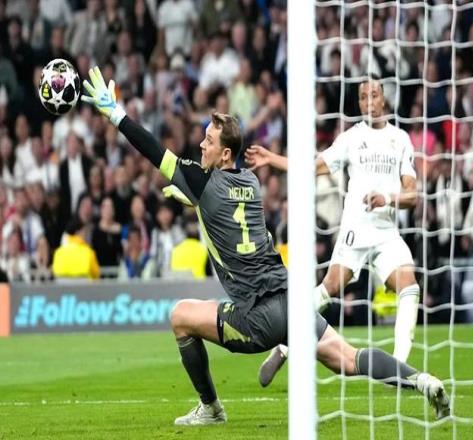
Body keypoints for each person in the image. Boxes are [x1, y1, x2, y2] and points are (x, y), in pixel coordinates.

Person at [82, 67, 450, 426]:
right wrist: (195, 200)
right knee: (348, 359)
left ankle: (211, 408)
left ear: (225, 154)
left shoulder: (201, 182)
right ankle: (422, 380)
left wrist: (116, 115)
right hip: (292, 301)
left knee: (180, 316)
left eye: (209, 140)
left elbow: (153, 150)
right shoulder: (251, 181)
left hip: (256, 316)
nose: (201, 144)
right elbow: (226, 209)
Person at [246, 76, 422, 384]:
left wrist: (387, 198)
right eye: (363, 97)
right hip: (356, 228)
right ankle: (283, 347)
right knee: (329, 288)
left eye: (374, 95)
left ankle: (399, 369)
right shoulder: (351, 138)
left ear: (384, 99)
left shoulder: (401, 140)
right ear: (359, 102)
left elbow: (412, 195)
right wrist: (271, 158)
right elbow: (311, 167)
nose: (369, 102)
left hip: (386, 231)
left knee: (410, 287)